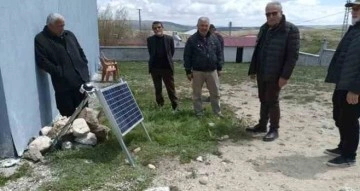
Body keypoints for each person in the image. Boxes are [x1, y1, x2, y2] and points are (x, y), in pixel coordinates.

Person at [246, 1, 300, 141]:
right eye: (268, 14)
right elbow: (258, 51)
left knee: (272, 101)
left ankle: (274, 129)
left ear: (281, 13)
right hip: (262, 71)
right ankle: (262, 125)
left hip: (276, 74)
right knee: (263, 99)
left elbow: (292, 56)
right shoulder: (264, 29)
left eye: (274, 13)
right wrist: (253, 69)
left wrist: (285, 76)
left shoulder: (290, 30)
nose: (270, 16)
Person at [324, 0, 360, 167]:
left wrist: (356, 89)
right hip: (342, 83)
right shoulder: (354, 29)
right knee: (339, 116)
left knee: (349, 120)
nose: (354, 11)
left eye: (358, 8)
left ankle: (349, 156)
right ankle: (342, 146)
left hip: (353, 87)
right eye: (353, 8)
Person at [35, 13, 90, 117]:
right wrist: (60, 72)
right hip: (64, 87)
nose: (63, 28)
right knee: (69, 118)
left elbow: (80, 51)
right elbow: (42, 61)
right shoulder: (41, 39)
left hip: (80, 83)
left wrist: (83, 65)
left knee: (85, 114)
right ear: (50, 25)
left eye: (63, 25)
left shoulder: (69, 35)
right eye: (60, 26)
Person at [184, 17, 224, 117]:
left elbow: (219, 53)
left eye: (206, 25)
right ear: (198, 26)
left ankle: (217, 113)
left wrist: (219, 68)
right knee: (197, 94)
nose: (204, 27)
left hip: (212, 71)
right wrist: (188, 71)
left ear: (209, 26)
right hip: (198, 71)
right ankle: (199, 113)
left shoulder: (215, 38)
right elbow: (187, 56)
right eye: (202, 25)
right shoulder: (192, 40)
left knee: (215, 93)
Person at [147, 21, 178, 111]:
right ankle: (160, 105)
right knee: (158, 88)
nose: (157, 29)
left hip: (167, 68)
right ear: (153, 29)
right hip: (155, 68)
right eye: (155, 28)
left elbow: (171, 52)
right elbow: (150, 52)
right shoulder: (150, 40)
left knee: (171, 88)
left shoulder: (169, 39)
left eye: (159, 27)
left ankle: (175, 106)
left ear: (162, 28)